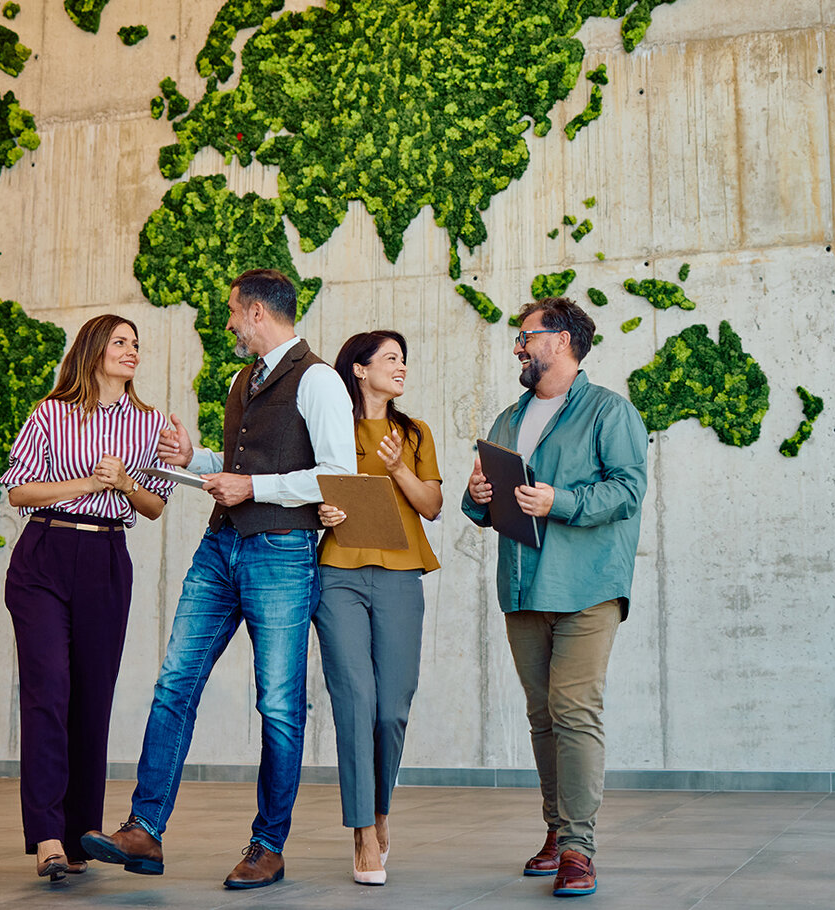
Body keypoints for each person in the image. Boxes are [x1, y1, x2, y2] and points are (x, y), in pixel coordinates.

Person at [80, 268, 352, 890]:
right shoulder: (241, 380)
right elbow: (238, 464)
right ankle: (143, 829)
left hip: (283, 552)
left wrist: (252, 487)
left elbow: (336, 474)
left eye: (233, 311)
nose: (228, 323)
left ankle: (268, 846)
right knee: (175, 683)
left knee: (278, 704)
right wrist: (193, 459)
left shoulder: (319, 380)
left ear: (257, 312)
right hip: (220, 545)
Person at [462, 297, 647, 898]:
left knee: (574, 711)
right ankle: (555, 832)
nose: (518, 346)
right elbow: (481, 506)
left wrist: (557, 501)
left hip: (587, 586)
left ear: (561, 340)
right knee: (542, 716)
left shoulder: (609, 411)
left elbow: (628, 491)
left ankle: (578, 847)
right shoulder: (507, 419)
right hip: (522, 588)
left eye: (526, 335)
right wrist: (477, 495)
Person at [0, 314, 175, 881]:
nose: (131, 351)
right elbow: (18, 491)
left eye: (136, 344)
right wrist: (89, 483)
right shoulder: (51, 412)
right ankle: (48, 837)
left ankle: (79, 837)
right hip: (44, 554)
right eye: (120, 342)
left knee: (92, 699)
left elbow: (155, 506)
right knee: (48, 691)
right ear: (94, 350)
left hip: (107, 558)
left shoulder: (150, 424)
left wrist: (125, 484)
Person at [312, 330, 443, 885]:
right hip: (338, 574)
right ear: (360, 369)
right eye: (391, 358)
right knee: (355, 702)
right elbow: (307, 489)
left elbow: (432, 506)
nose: (401, 366)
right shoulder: (329, 426)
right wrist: (319, 511)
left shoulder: (414, 432)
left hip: (401, 575)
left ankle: (381, 809)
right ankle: (363, 831)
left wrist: (398, 469)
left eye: (404, 359)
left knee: (391, 707)